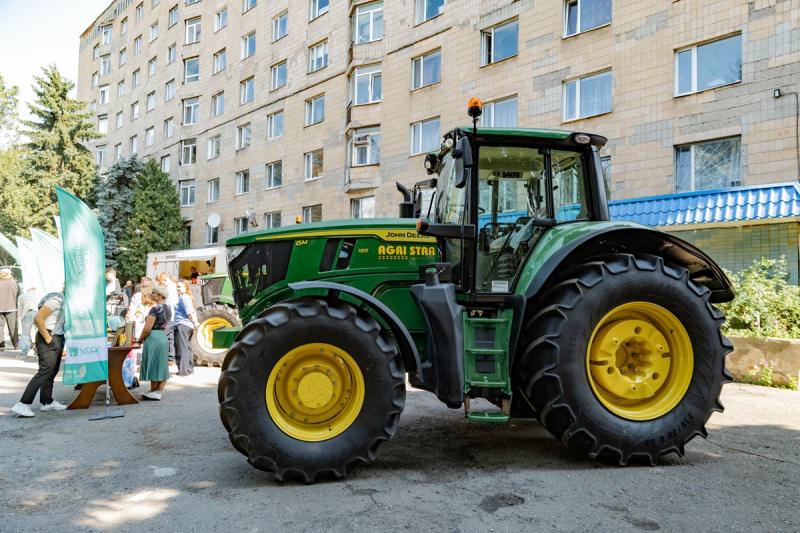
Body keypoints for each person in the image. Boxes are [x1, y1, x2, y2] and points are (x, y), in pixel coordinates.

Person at [11, 291, 68, 417]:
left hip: (57, 336)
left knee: (52, 371)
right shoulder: (56, 299)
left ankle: (47, 401)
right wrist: (48, 338)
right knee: (44, 371)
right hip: (48, 336)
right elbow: (38, 318)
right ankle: (23, 404)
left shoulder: (64, 300)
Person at [137, 286, 172, 401]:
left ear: (160, 295)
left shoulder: (155, 309)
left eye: (154, 293)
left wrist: (139, 340)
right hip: (163, 336)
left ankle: (155, 391)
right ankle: (156, 391)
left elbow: (147, 329)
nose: (151, 294)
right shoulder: (168, 308)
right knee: (161, 364)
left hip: (154, 337)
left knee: (153, 363)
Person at [173, 280, 199, 376]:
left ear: (185, 287)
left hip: (182, 325)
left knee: (181, 348)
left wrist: (195, 322)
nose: (178, 288)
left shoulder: (184, 297)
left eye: (180, 287)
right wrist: (195, 323)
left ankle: (183, 371)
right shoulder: (187, 297)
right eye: (177, 286)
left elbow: (189, 312)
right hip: (188, 325)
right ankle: (189, 369)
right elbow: (192, 311)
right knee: (187, 347)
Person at [156, 272, 179, 360]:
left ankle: (160, 355)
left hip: (168, 317)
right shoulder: (173, 285)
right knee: (170, 337)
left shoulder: (168, 287)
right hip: (173, 317)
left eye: (160, 281)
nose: (159, 283)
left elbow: (163, 299)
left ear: (164, 280)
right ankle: (172, 355)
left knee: (161, 336)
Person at [17, 287, 39, 358]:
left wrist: (21, 318)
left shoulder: (22, 296)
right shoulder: (39, 295)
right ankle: (38, 352)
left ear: (27, 290)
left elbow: (20, 309)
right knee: (39, 333)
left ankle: (24, 353)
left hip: (27, 313)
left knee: (25, 334)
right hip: (38, 313)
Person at [0, 268, 19, 350]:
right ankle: (16, 345)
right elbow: (19, 296)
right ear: (9, 274)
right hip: (12, 308)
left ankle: (1, 346)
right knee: (13, 327)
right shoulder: (14, 283)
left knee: (0, 327)